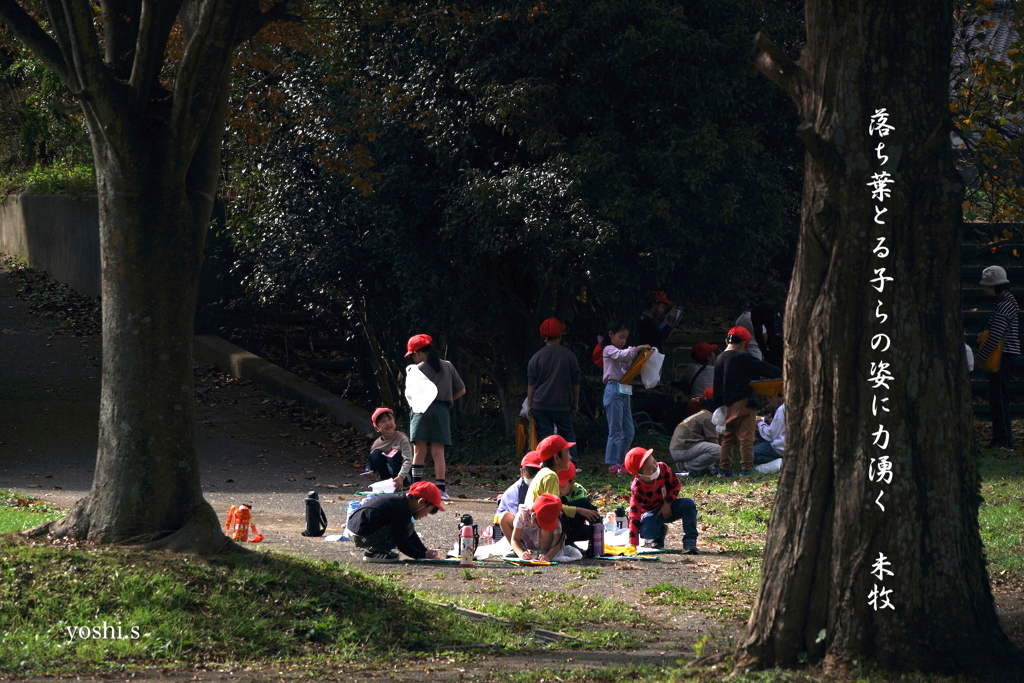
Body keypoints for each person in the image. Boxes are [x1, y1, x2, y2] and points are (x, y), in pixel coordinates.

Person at [711, 326, 782, 476]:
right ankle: (746, 468)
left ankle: (724, 469)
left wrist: (718, 406)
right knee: (746, 437)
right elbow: (765, 369)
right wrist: (784, 373)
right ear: (744, 343)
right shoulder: (742, 357)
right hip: (744, 403)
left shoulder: (719, 359)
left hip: (727, 404)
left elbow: (716, 386)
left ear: (726, 341)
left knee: (728, 437)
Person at [405, 334, 466, 499]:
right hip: (441, 410)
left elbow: (410, 394)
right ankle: (441, 489)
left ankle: (415, 487)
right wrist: (446, 399)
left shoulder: (416, 369)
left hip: (421, 409)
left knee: (419, 451)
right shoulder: (448, 366)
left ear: (416, 354)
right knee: (438, 452)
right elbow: (461, 390)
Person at [346, 481, 446, 563]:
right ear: (421, 501)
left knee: (407, 526)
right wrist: (422, 556)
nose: (426, 515)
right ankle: (373, 552)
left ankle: (376, 549)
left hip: (355, 530)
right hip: (361, 536)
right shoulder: (400, 510)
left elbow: (411, 535)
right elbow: (401, 541)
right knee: (402, 529)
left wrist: (425, 552)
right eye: (429, 511)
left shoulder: (401, 502)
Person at [623, 447, 699, 553]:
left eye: (654, 463)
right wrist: (633, 542)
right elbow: (634, 515)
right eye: (650, 469)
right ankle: (659, 533)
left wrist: (667, 503)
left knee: (688, 504)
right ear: (639, 475)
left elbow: (676, 484)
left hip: (670, 505)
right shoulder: (637, 488)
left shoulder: (662, 467)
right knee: (646, 531)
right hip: (652, 514)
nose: (655, 468)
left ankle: (690, 540)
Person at [977, 265, 1020, 451]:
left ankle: (1003, 442)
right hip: (1007, 355)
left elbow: (996, 335)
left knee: (999, 399)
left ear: (995, 286)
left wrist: (981, 356)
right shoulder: (1008, 302)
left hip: (1003, 356)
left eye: (988, 286)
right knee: (998, 397)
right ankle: (1002, 440)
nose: (986, 289)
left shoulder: (1004, 305)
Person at [526, 318, 581, 461]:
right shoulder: (569, 355)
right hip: (562, 404)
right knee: (567, 433)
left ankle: (548, 462)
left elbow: (531, 384)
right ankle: (572, 461)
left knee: (546, 436)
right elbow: (576, 381)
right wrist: (575, 401)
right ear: (560, 335)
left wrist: (530, 404)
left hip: (541, 404)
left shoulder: (536, 357)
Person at [601, 322, 652, 474]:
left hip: (623, 391)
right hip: (613, 389)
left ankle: (623, 461)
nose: (623, 341)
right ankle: (612, 463)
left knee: (628, 430)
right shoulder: (609, 349)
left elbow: (627, 365)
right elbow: (622, 356)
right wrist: (636, 349)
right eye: (620, 337)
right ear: (611, 334)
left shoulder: (623, 353)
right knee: (615, 430)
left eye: (625, 338)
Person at [525, 435, 602, 527]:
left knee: (583, 516)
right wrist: (579, 510)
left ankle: (594, 533)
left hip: (537, 520)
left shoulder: (543, 472)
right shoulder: (550, 476)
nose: (570, 457)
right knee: (584, 504)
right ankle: (597, 534)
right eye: (567, 452)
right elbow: (553, 509)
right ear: (557, 457)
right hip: (541, 525)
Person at [668, 387, 720, 477]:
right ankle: (687, 466)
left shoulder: (703, 413)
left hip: (682, 447)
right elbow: (714, 442)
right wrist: (726, 465)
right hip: (682, 449)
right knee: (717, 450)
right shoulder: (709, 417)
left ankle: (707, 469)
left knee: (711, 448)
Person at [495, 451, 545, 541]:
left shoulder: (546, 483)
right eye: (532, 472)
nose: (535, 476)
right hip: (515, 528)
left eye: (538, 472)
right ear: (522, 472)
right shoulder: (514, 493)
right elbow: (519, 521)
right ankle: (518, 547)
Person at [365, 407, 413, 491]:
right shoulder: (377, 444)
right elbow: (370, 461)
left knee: (393, 455)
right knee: (375, 453)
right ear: (377, 428)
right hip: (388, 479)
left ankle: (403, 484)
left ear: (394, 422)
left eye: (390, 419)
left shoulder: (402, 438)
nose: (388, 423)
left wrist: (401, 476)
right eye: (383, 421)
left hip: (404, 476)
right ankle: (386, 483)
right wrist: (370, 470)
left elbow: (408, 460)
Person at [510, 493, 565, 561]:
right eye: (542, 522)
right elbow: (515, 539)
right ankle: (521, 550)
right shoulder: (523, 514)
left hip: (545, 545)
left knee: (546, 530)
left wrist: (549, 556)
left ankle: (543, 550)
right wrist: (521, 553)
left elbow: (558, 542)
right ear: (533, 513)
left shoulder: (555, 516)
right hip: (527, 540)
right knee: (505, 517)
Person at [557, 460, 598, 545]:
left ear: (572, 482)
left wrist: (578, 510)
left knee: (589, 531)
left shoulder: (578, 490)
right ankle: (568, 543)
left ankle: (595, 545)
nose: (558, 489)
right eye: (556, 486)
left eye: (562, 486)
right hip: (555, 525)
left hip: (571, 522)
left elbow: (583, 511)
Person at [753, 391, 785, 467]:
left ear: (775, 396)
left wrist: (760, 423)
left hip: (782, 446)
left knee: (750, 454)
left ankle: (781, 461)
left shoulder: (782, 409)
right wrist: (772, 422)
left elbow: (770, 434)